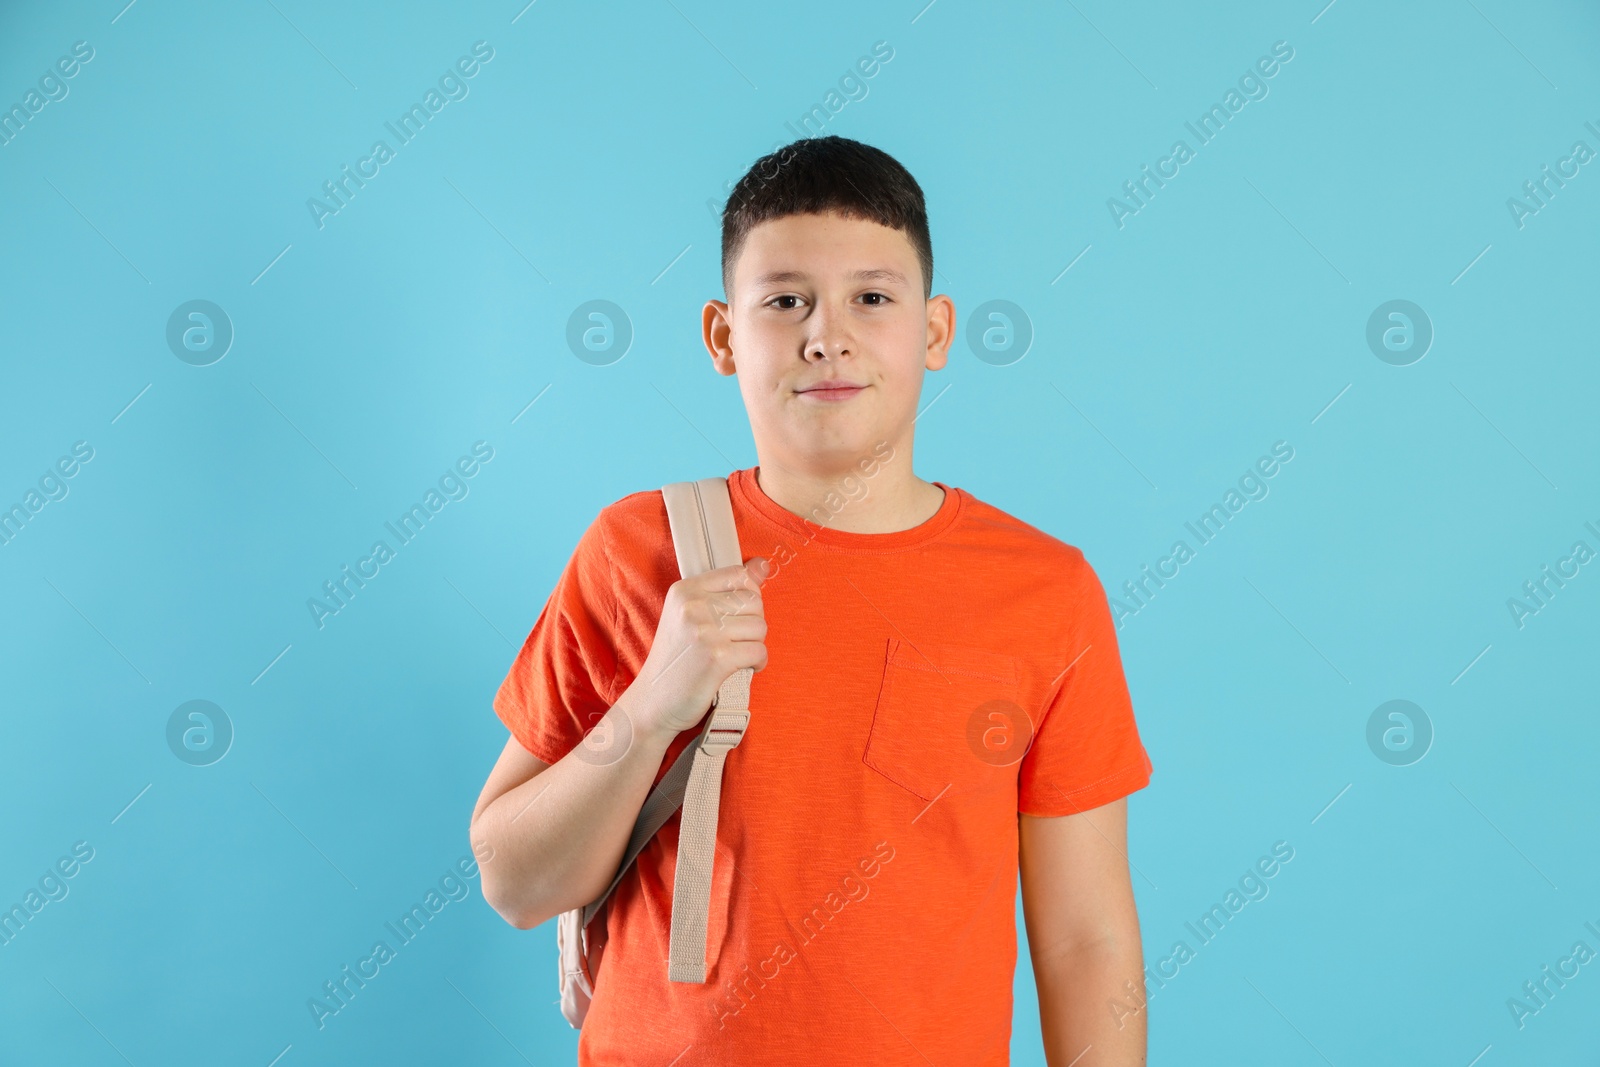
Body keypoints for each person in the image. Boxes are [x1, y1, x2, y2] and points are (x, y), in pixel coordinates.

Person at [468, 134, 1153, 1065]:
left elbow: (1086, 941)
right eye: (785, 300)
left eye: (872, 298)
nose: (826, 333)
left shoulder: (1045, 591)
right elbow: (512, 879)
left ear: (936, 330)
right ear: (722, 336)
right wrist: (650, 706)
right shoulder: (636, 550)